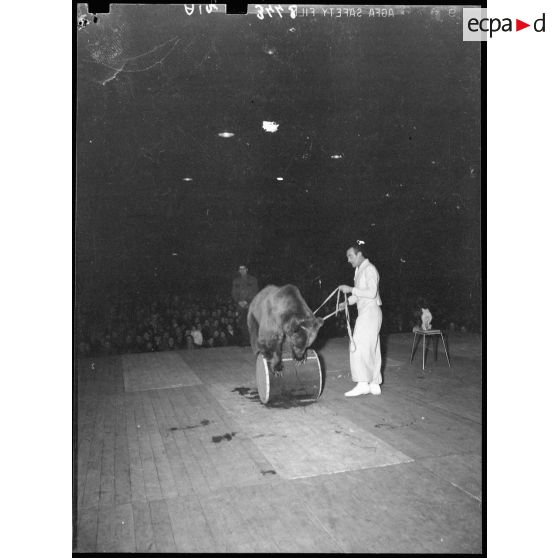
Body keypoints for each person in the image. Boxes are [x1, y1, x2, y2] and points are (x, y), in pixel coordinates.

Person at [339, 241, 383, 397]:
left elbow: (371, 293)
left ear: (359, 254)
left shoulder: (370, 269)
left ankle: (363, 383)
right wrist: (347, 302)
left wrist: (350, 289)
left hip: (370, 311)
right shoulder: (358, 271)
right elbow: (359, 294)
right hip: (367, 311)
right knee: (373, 346)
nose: (348, 260)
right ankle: (374, 382)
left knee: (357, 344)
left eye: (350, 256)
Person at [231, 264, 259, 346]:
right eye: (240, 269)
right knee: (242, 323)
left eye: (243, 269)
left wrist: (247, 301)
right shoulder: (236, 281)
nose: (242, 270)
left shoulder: (253, 279)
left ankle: (254, 341)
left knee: (252, 323)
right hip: (240, 306)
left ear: (247, 269)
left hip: (251, 305)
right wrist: (239, 301)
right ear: (239, 271)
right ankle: (245, 341)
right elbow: (234, 292)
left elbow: (255, 291)